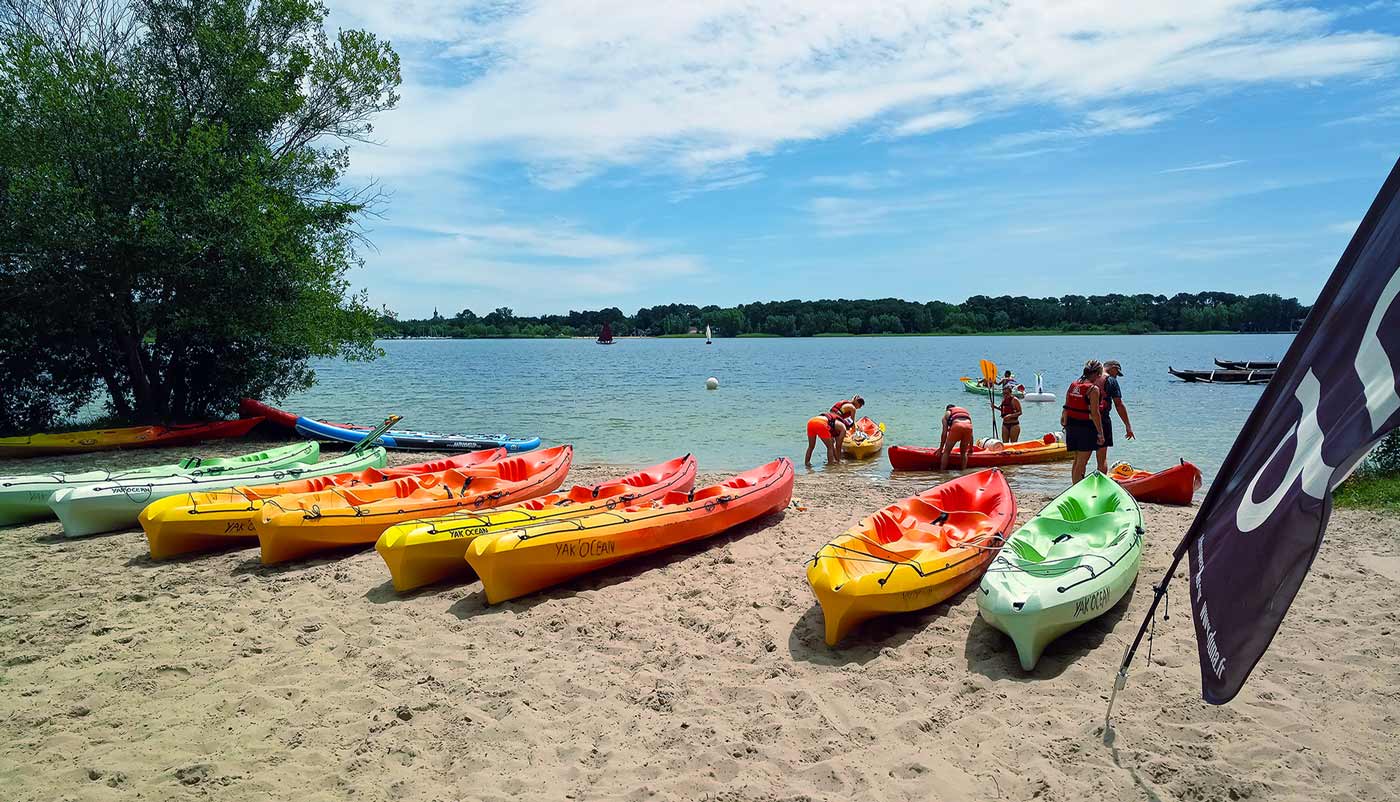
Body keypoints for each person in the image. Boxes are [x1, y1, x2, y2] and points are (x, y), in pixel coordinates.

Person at [1062, 360, 1105, 483]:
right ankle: (1077, 489)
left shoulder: (1073, 385)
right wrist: (1100, 433)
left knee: (1077, 460)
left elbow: (1066, 406)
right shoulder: (1093, 389)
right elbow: (1095, 413)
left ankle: (1074, 486)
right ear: (1097, 374)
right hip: (1085, 427)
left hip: (1072, 425)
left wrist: (1064, 421)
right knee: (1082, 462)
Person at [1094, 359, 1135, 474]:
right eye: (1117, 373)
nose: (1116, 376)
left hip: (1084, 419)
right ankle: (1101, 486)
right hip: (1102, 420)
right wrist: (1128, 426)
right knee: (1101, 459)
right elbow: (1119, 405)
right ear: (1113, 368)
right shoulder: (1111, 381)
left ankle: (1076, 486)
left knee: (1081, 459)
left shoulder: (1089, 378)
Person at [939, 404, 975, 471]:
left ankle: (942, 471)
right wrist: (971, 448)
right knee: (963, 453)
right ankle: (963, 471)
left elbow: (944, 433)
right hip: (969, 427)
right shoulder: (964, 412)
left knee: (946, 452)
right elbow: (971, 435)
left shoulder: (947, 414)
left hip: (957, 426)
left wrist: (941, 449)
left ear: (947, 410)